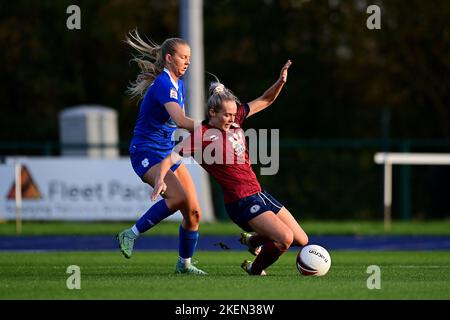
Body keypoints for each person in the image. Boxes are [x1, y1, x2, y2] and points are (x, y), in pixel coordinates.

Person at [151, 60, 309, 275]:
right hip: (240, 202)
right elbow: (171, 156)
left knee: (302, 239)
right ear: (212, 112)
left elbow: (265, 99)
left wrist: (280, 82)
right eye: (227, 115)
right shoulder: (202, 135)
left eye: (235, 114)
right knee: (284, 239)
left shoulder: (235, 121)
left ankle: (253, 241)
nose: (233, 119)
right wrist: (161, 178)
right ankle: (254, 269)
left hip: (259, 193)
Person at [116, 29, 207, 275]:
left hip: (165, 152)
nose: (187, 62)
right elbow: (179, 120)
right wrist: (212, 127)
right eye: (183, 57)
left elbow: (183, 121)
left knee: (194, 212)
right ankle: (130, 234)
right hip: (145, 151)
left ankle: (184, 264)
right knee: (177, 197)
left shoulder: (179, 84)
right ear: (168, 58)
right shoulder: (164, 84)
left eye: (189, 57)